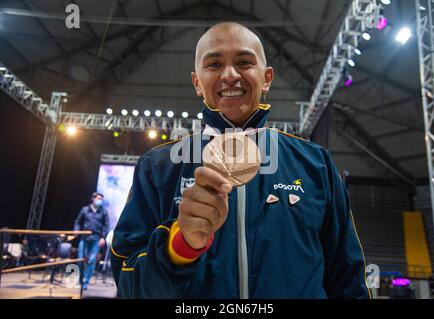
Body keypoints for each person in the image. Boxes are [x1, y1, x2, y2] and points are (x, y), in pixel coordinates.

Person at [110, 22, 371, 298]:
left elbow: (348, 278)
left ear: (267, 77)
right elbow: (130, 286)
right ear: (197, 83)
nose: (230, 75)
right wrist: (179, 248)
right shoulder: (158, 166)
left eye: (244, 62)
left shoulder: (316, 164)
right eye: (214, 65)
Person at [74, 192, 109, 290]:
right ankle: (80, 280)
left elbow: (106, 226)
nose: (100, 200)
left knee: (91, 261)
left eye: (101, 199)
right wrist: (76, 230)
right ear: (93, 199)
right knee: (80, 259)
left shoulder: (104, 212)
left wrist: (103, 237)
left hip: (96, 239)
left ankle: (86, 281)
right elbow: (78, 221)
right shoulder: (85, 210)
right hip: (84, 238)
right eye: (98, 198)